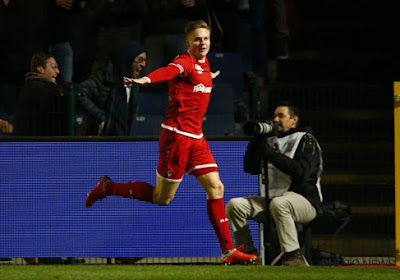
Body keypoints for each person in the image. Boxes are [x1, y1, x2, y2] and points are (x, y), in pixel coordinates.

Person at [85, 19, 258, 265]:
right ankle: (108, 188)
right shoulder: (185, 62)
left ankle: (228, 252)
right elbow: (169, 71)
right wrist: (146, 80)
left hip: (196, 138)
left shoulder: (203, 62)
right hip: (176, 137)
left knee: (216, 189)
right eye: (197, 39)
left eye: (206, 38)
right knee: (162, 198)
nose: (202, 43)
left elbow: (197, 77)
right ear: (187, 42)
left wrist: (209, 74)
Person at [226, 102, 323, 266]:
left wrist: (270, 154)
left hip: (305, 201)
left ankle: (294, 255)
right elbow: (249, 168)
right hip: (273, 202)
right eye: (274, 116)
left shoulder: (305, 139)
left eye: (281, 116)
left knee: (280, 203)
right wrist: (257, 140)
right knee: (235, 205)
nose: (276, 120)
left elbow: (301, 171)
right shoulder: (270, 141)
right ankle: (248, 255)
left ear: (294, 120)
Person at [76, 39, 146, 136]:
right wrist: (101, 117)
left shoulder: (135, 84)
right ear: (127, 59)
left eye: (144, 60)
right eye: (140, 60)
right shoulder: (104, 77)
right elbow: (80, 93)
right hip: (102, 139)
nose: (143, 64)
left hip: (124, 139)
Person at [13, 52, 70, 136]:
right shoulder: (46, 91)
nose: (58, 71)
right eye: (53, 67)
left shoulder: (28, 87)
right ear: (40, 69)